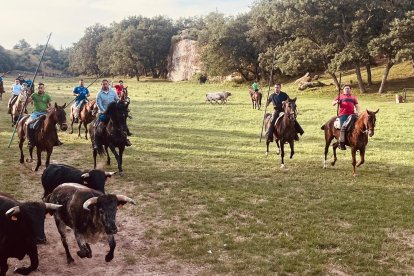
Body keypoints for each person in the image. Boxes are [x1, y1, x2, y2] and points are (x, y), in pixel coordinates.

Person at [94, 79, 131, 149]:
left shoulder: (112, 92)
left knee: (122, 122)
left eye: (106, 84)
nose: (105, 85)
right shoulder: (99, 94)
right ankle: (97, 142)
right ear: (101, 85)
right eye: (103, 84)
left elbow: (116, 99)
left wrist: (121, 103)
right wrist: (105, 111)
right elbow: (99, 104)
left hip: (113, 113)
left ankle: (125, 139)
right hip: (103, 112)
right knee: (97, 125)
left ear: (108, 84)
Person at [25, 83, 63, 147]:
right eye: (39, 88)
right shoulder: (34, 95)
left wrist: (48, 109)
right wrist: (28, 95)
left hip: (45, 113)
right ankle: (31, 141)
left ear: (44, 88)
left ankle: (56, 140)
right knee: (29, 124)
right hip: (36, 113)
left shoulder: (47, 96)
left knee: (54, 125)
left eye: (41, 88)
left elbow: (50, 105)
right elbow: (27, 101)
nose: (40, 89)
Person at [332, 84, 360, 150]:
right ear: (343, 90)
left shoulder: (353, 97)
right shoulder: (340, 96)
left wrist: (357, 112)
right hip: (343, 115)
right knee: (343, 128)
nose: (347, 90)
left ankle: (356, 142)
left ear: (350, 90)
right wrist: (336, 102)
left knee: (357, 127)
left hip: (352, 115)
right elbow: (332, 103)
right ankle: (341, 142)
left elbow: (357, 106)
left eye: (348, 88)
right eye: (345, 88)